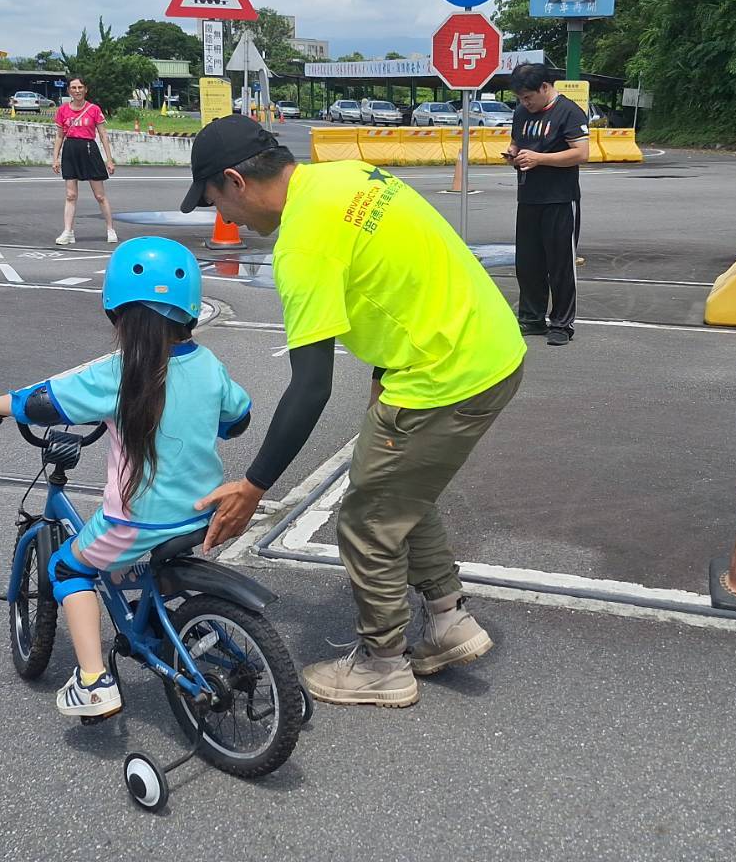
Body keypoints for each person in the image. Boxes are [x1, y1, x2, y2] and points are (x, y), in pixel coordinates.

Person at [182, 116, 525, 709]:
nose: (226, 219)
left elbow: (310, 387)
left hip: (446, 373)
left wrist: (254, 485)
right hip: (487, 346)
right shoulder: (348, 176)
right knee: (397, 491)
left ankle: (382, 666)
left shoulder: (302, 245)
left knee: (367, 516)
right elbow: (399, 279)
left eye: (215, 201)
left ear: (235, 181)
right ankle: (448, 621)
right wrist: (385, 375)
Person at [0, 237, 253, 715]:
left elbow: (40, 403)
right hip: (202, 511)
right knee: (129, 557)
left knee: (68, 567)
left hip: (140, 522)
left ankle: (93, 681)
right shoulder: (208, 365)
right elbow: (239, 419)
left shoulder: (118, 373)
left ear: (118, 312)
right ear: (191, 310)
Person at [505, 62, 590, 346]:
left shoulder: (568, 111)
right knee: (528, 263)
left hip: (560, 198)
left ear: (545, 87)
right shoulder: (521, 113)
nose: (524, 103)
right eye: (520, 98)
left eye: (528, 97)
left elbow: (581, 153)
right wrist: (513, 152)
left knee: (560, 264)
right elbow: (518, 141)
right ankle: (531, 318)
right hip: (528, 197)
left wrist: (540, 159)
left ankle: (562, 324)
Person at [51, 77, 118, 245]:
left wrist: (109, 160)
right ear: (68, 91)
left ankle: (110, 229)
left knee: (100, 195)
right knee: (70, 194)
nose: (77, 90)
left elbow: (103, 135)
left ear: (85, 89)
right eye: (73, 87)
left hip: (89, 150)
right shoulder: (62, 110)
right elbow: (59, 135)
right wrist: (55, 158)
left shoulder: (94, 109)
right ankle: (68, 231)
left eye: (80, 87)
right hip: (70, 150)